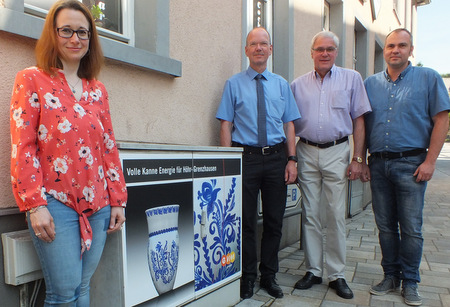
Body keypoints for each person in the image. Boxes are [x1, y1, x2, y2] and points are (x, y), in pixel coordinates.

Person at [9, 1, 127, 305]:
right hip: (54, 204)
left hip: (99, 205)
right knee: (63, 293)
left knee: (82, 287)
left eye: (83, 32)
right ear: (53, 33)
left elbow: (108, 147)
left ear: (90, 40)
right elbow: (23, 146)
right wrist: (35, 205)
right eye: (66, 30)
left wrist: (118, 200)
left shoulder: (97, 89)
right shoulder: (31, 79)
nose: (75, 39)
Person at [362, 28, 450, 306]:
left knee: (411, 228)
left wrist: (430, 162)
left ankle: (411, 281)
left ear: (411, 50)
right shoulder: (370, 84)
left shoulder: (429, 78)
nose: (395, 50)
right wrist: (361, 159)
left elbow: (441, 119)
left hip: (412, 164)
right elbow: (362, 124)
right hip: (377, 165)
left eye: (402, 45)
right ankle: (390, 276)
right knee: (385, 226)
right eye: (390, 46)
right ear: (385, 50)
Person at [216, 27, 300, 300]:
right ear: (246, 50)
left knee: (275, 221)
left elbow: (289, 124)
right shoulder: (234, 84)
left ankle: (269, 276)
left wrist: (291, 159)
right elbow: (226, 124)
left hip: (277, 158)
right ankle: (248, 276)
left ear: (271, 49)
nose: (259, 48)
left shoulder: (281, 85)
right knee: (247, 222)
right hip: (246, 159)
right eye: (254, 44)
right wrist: (228, 163)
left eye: (264, 43)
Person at [290, 31, 371, 299]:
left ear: (336, 52)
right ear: (311, 53)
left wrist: (358, 158)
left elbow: (359, 120)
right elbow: (289, 123)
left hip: (338, 151)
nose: (324, 53)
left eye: (330, 49)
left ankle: (337, 274)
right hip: (306, 151)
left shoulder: (352, 79)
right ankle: (313, 270)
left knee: (336, 215)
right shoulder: (297, 85)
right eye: (319, 49)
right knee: (311, 213)